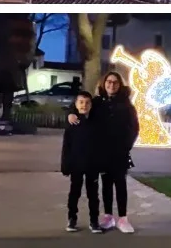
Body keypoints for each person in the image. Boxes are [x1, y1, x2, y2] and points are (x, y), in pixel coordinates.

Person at [68, 72, 140, 233]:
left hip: (120, 152)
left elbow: (134, 128)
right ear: (104, 83)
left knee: (120, 184)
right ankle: (108, 217)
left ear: (120, 85)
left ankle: (123, 218)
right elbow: (81, 105)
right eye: (109, 82)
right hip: (102, 152)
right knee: (106, 185)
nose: (111, 85)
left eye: (115, 82)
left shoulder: (126, 105)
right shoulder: (98, 102)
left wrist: (126, 145)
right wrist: (71, 113)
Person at [60, 91, 105, 234]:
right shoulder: (72, 122)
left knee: (93, 194)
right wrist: (65, 165)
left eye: (87, 103)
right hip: (76, 164)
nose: (84, 105)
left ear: (91, 105)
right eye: (81, 102)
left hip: (92, 164)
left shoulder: (97, 123)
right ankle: (72, 219)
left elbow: (102, 146)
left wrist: (102, 164)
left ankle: (94, 221)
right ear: (76, 104)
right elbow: (66, 146)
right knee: (74, 192)